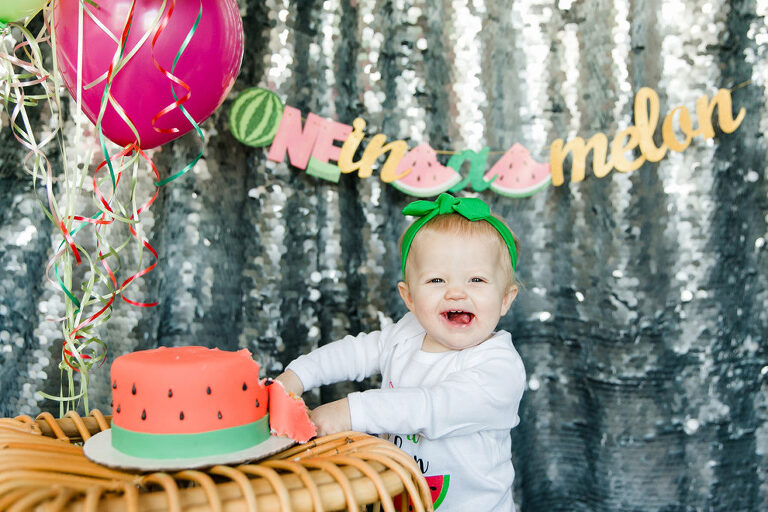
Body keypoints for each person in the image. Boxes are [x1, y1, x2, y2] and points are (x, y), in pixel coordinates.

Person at [276, 193, 526, 511]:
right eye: (436, 279)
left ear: (505, 299)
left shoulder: (500, 369)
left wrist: (349, 411)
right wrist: (296, 376)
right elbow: (355, 352)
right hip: (400, 497)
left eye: (476, 279)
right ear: (409, 298)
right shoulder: (407, 333)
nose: (456, 292)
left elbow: (429, 407)